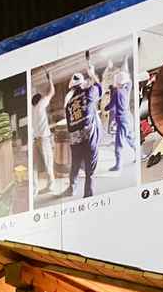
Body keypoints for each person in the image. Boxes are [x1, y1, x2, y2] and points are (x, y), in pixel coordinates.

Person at [63, 61, 103, 199]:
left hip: (75, 142)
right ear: (82, 84)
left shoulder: (68, 104)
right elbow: (99, 87)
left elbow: (70, 124)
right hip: (89, 139)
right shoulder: (90, 92)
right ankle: (88, 196)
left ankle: (71, 189)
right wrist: (92, 74)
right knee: (89, 170)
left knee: (74, 167)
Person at [31, 71, 55, 194]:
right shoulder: (41, 105)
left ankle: (34, 189)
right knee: (48, 163)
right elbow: (51, 93)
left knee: (34, 166)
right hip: (44, 139)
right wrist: (50, 79)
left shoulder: (33, 109)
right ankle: (51, 185)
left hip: (35, 140)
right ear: (40, 100)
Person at [108, 60, 134, 171]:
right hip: (127, 119)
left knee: (118, 144)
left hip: (121, 120)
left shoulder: (117, 92)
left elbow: (111, 107)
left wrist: (105, 108)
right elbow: (129, 82)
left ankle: (118, 165)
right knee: (129, 139)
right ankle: (139, 155)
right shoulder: (126, 90)